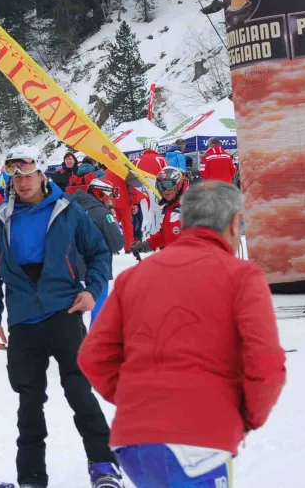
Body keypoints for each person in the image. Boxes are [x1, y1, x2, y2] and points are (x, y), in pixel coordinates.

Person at [79, 182, 287, 488]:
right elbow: (266, 362)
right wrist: (246, 418)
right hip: (199, 438)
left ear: (185, 220)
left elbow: (92, 355)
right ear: (234, 222)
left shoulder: (134, 277)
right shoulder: (241, 275)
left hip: (135, 442)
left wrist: (136, 399)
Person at [0, 147, 119, 488]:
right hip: (24, 320)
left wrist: (93, 289)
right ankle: (31, 477)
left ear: (42, 175)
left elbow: (98, 252)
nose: (23, 183)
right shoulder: (0, 219)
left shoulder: (67, 211)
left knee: (78, 390)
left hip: (64, 312)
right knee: (29, 402)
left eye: (29, 175)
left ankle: (104, 466)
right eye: (16, 177)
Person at [70, 179, 124, 325]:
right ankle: (95, 345)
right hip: (98, 269)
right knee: (99, 315)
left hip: (70, 270)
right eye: (111, 196)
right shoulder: (102, 213)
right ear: (102, 194)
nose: (111, 200)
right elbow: (117, 243)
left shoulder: (70, 208)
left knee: (71, 317)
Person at [133, 167, 189, 258]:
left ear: (178, 185)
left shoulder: (191, 205)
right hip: (173, 260)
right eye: (161, 187)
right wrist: (145, 246)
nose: (165, 191)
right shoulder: (168, 208)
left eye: (169, 185)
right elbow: (165, 235)